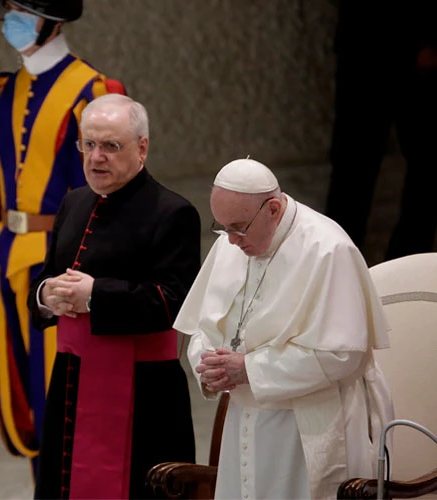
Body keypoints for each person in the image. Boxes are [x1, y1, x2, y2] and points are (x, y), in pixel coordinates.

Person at [0, 0, 126, 473]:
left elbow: (105, 200)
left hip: (62, 265)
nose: (11, 20)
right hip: (2, 262)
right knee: (21, 400)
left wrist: (91, 280)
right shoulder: (3, 90)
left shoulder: (93, 92)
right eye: (6, 9)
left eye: (21, 9)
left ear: (51, 18)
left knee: (64, 404)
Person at [175, 158, 395, 499]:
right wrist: (208, 362)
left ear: (273, 209)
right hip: (244, 421)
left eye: (238, 227)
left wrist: (248, 368)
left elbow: (341, 354)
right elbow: (202, 323)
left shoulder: (327, 249)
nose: (231, 241)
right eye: (222, 227)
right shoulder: (233, 241)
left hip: (307, 426)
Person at [27, 94, 199, 499]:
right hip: (72, 380)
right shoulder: (74, 202)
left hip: (144, 391)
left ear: (142, 147)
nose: (96, 157)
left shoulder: (173, 212)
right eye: (89, 144)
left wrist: (95, 296)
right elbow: (47, 274)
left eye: (111, 146)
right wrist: (45, 295)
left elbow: (173, 301)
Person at [325, 1, 437, 262]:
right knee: (351, 169)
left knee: (427, 169)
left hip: (415, 53)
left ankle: (407, 269)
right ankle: (335, 267)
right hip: (364, 44)